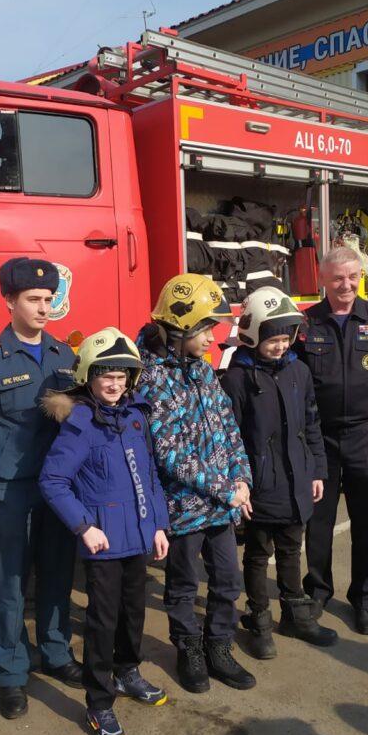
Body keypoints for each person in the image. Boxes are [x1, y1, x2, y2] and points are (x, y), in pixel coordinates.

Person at [0, 257, 82, 720]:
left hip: (59, 490)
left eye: (49, 300)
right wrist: (3, 463)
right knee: (10, 582)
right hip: (12, 489)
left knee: (57, 573)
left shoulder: (64, 356)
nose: (45, 308)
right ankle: (10, 672)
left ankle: (57, 652)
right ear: (9, 300)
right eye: (34, 299)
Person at [39, 329, 170, 735]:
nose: (113, 384)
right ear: (88, 377)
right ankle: (99, 701)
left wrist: (159, 525)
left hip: (138, 537)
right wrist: (84, 526)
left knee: (134, 612)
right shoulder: (81, 422)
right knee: (102, 621)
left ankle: (128, 671)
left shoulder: (136, 416)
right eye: (105, 375)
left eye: (121, 375)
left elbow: (150, 476)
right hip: (103, 543)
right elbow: (53, 480)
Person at [137, 274, 255, 693]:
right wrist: (225, 489)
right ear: (180, 327)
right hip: (184, 508)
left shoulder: (204, 373)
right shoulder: (152, 378)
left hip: (220, 506)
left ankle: (219, 646)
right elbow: (168, 453)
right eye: (206, 328)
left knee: (228, 580)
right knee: (184, 585)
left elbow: (229, 429)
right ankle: (188, 647)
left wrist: (241, 477)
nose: (213, 336)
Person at [294, 246, 368, 635]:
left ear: (360, 277)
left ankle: (364, 598)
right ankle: (317, 591)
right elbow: (290, 379)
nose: (346, 285)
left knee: (366, 523)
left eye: (352, 277)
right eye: (337, 278)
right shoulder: (306, 323)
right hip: (320, 439)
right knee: (319, 521)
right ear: (323, 280)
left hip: (367, 436)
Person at [221, 287, 337, 658]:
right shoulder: (237, 379)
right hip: (259, 486)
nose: (280, 345)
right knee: (257, 555)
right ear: (253, 334)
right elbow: (229, 438)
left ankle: (295, 615)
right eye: (272, 338)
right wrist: (239, 486)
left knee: (291, 550)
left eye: (286, 337)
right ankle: (259, 621)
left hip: (296, 481)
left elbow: (312, 424)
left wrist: (316, 469)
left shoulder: (298, 371)